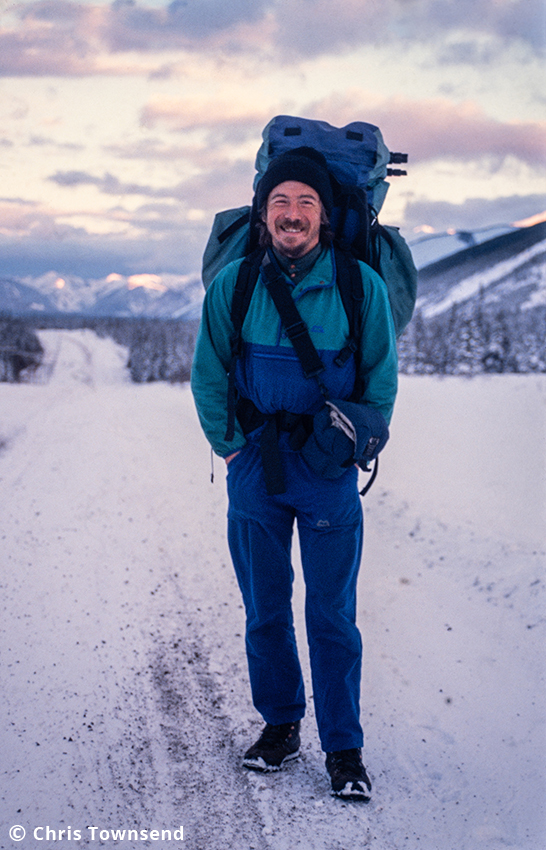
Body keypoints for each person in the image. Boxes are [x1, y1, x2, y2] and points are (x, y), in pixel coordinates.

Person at [191, 148, 398, 801]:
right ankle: (280, 726)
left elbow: (381, 384)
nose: (292, 212)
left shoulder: (360, 287)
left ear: (325, 217)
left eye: (305, 202)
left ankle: (345, 748)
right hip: (255, 469)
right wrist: (231, 450)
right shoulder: (238, 285)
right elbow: (208, 373)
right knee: (265, 609)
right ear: (262, 213)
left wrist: (350, 447)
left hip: (328, 473)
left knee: (333, 613)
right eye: (280, 201)